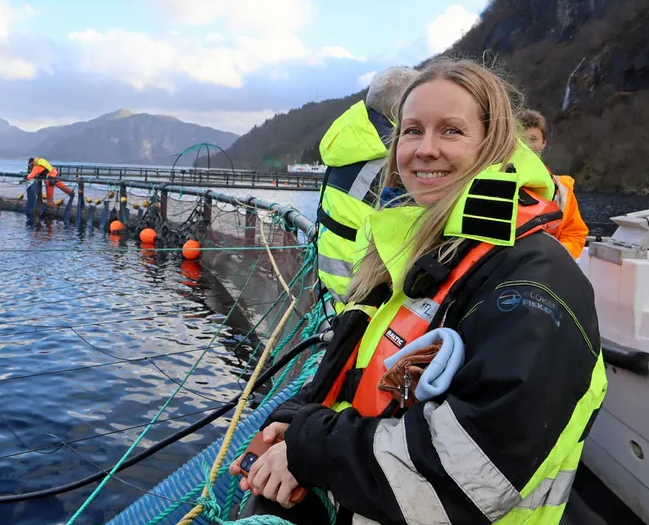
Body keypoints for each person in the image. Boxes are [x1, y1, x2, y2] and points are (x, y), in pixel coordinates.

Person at [229, 59, 607, 525]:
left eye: (451, 131)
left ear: (493, 145)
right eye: (412, 131)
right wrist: (295, 420)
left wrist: (310, 451)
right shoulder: (413, 252)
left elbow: (471, 470)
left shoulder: (536, 281)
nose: (425, 150)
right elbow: (356, 371)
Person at [316, 66, 419, 314]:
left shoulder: (354, 141)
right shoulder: (392, 157)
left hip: (334, 285)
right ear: (399, 110)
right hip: (366, 298)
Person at [517, 109, 589, 259]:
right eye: (521, 140)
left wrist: (551, 258)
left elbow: (575, 234)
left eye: (532, 139)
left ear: (544, 143)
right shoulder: (492, 179)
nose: (527, 146)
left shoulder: (562, 191)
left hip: (544, 270)